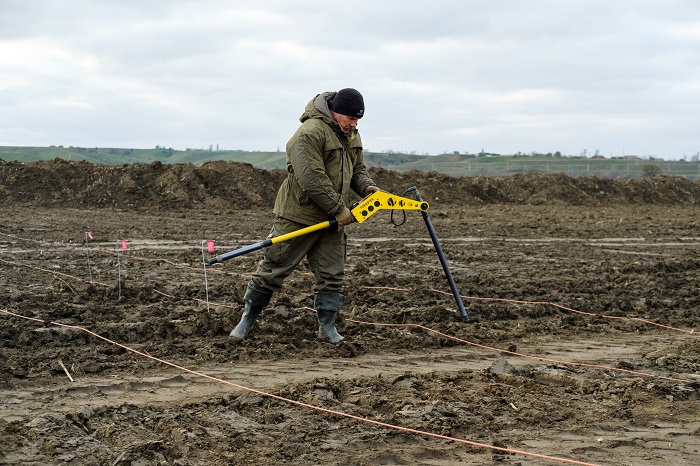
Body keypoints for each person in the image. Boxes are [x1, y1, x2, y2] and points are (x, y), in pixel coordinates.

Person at [230, 88, 381, 344]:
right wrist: (339, 208)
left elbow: (357, 170)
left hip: (333, 221)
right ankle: (247, 319)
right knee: (273, 268)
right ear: (335, 112)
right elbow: (311, 177)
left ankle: (327, 328)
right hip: (299, 214)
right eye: (351, 118)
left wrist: (367, 187)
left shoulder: (351, 134)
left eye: (358, 120)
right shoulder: (309, 132)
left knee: (332, 274)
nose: (354, 124)